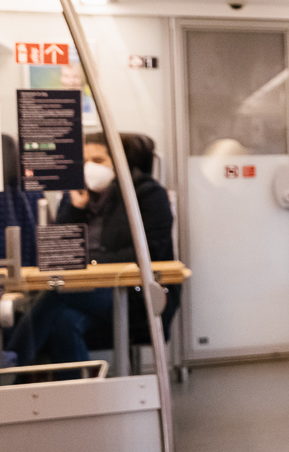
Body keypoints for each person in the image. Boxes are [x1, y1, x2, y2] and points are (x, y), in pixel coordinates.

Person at [7, 133, 174, 371]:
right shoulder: (76, 195)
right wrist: (76, 209)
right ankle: (81, 400)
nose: (89, 168)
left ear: (117, 162)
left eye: (98, 160)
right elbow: (58, 251)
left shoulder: (147, 194)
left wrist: (90, 263)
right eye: (84, 161)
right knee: (63, 321)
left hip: (132, 293)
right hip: (83, 291)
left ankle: (9, 366)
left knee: (56, 292)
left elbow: (149, 252)